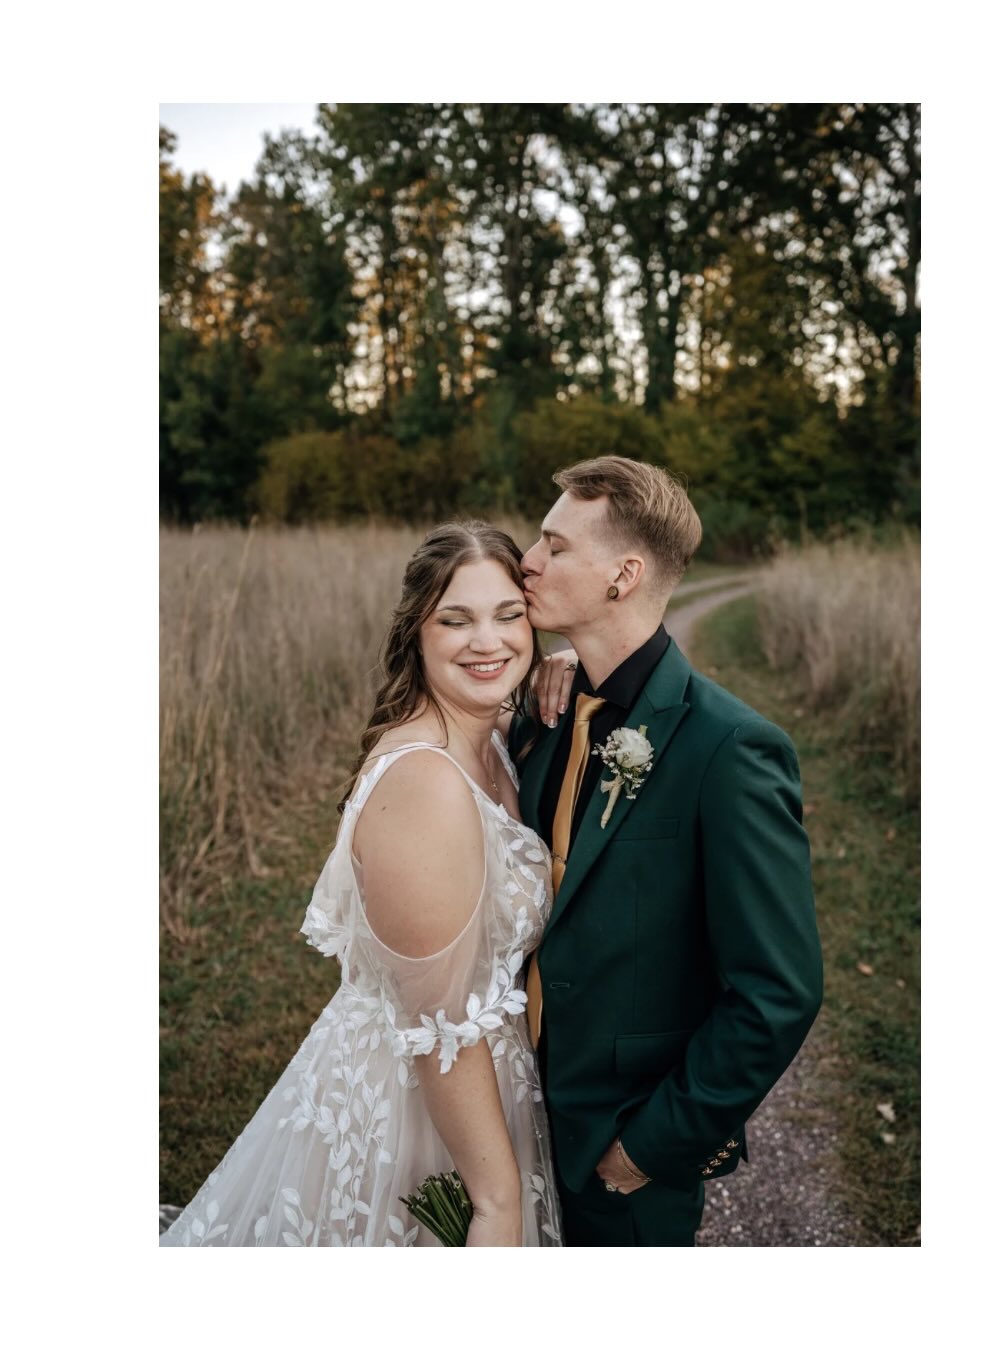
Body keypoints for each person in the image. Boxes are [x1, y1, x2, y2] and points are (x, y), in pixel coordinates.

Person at [161, 522, 562, 1247]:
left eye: (509, 615)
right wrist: (497, 1200)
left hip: (481, 1087)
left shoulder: (490, 731)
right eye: (456, 619)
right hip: (421, 1106)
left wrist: (560, 667)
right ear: (416, 631)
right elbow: (441, 1026)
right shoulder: (426, 784)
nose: (488, 641)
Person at [509, 456, 824, 1247]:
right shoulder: (542, 712)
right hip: (501, 1126)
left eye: (555, 546)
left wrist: (648, 1148)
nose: (529, 560)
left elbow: (778, 993)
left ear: (624, 576)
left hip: (620, 1161)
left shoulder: (731, 751)